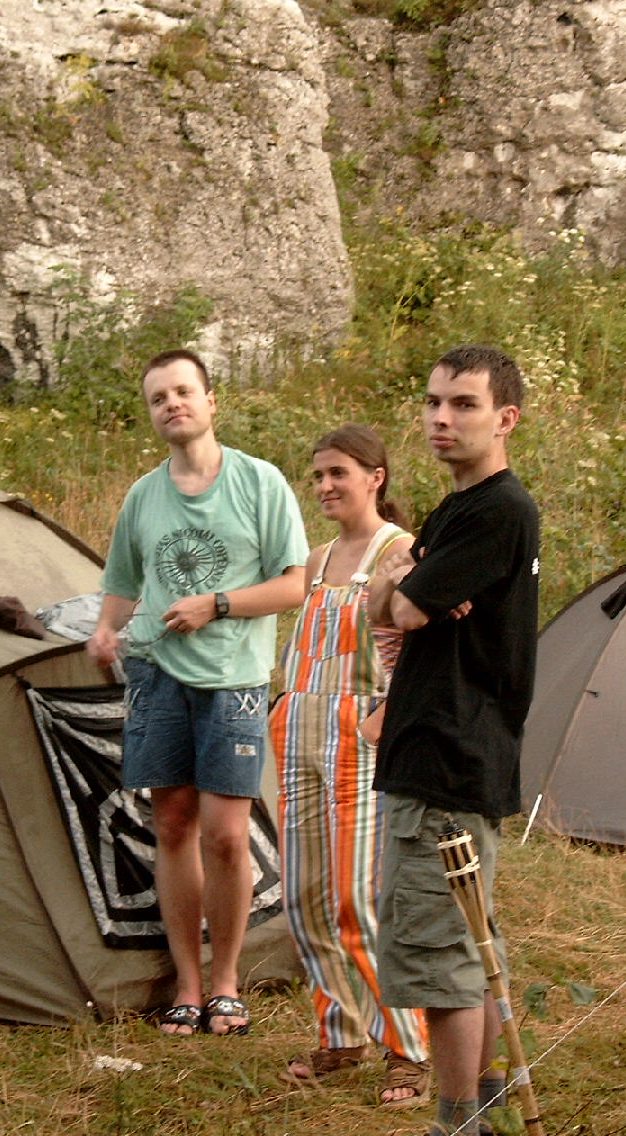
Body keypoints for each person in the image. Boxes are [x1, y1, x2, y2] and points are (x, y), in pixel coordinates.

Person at [86, 349, 307, 1036]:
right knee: (173, 827)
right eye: (158, 398)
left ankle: (226, 981)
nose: (172, 405)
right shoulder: (143, 496)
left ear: (211, 402)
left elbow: (294, 585)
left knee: (227, 835)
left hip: (234, 682)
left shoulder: (259, 483)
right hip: (157, 676)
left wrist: (217, 604)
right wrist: (105, 630)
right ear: (152, 414)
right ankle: (185, 984)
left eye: (183, 392)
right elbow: (123, 583)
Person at [368, 346, 540, 1136]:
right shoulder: (455, 508)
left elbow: (400, 611)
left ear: (505, 418)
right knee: (461, 943)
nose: (441, 417)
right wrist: (406, 576)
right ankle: (483, 1103)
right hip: (435, 747)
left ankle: (457, 1122)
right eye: (434, 401)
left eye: (463, 404)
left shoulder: (498, 510)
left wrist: (410, 584)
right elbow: (384, 604)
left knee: (444, 959)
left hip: (448, 753)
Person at [270, 424, 430, 1105]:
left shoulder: (400, 550)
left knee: (357, 899)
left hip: (355, 738)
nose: (325, 485)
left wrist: (379, 720)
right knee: (303, 897)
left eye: (339, 472)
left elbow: (417, 645)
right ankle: (340, 1035)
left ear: (376, 476)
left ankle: (409, 1049)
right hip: (299, 733)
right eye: (318, 475)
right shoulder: (316, 559)